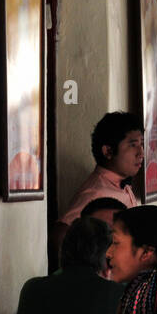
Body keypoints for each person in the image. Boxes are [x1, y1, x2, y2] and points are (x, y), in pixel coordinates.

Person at [49, 111, 142, 260]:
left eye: (141, 144)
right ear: (108, 151)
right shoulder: (96, 191)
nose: (141, 153)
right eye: (133, 145)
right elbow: (60, 235)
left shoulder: (122, 185)